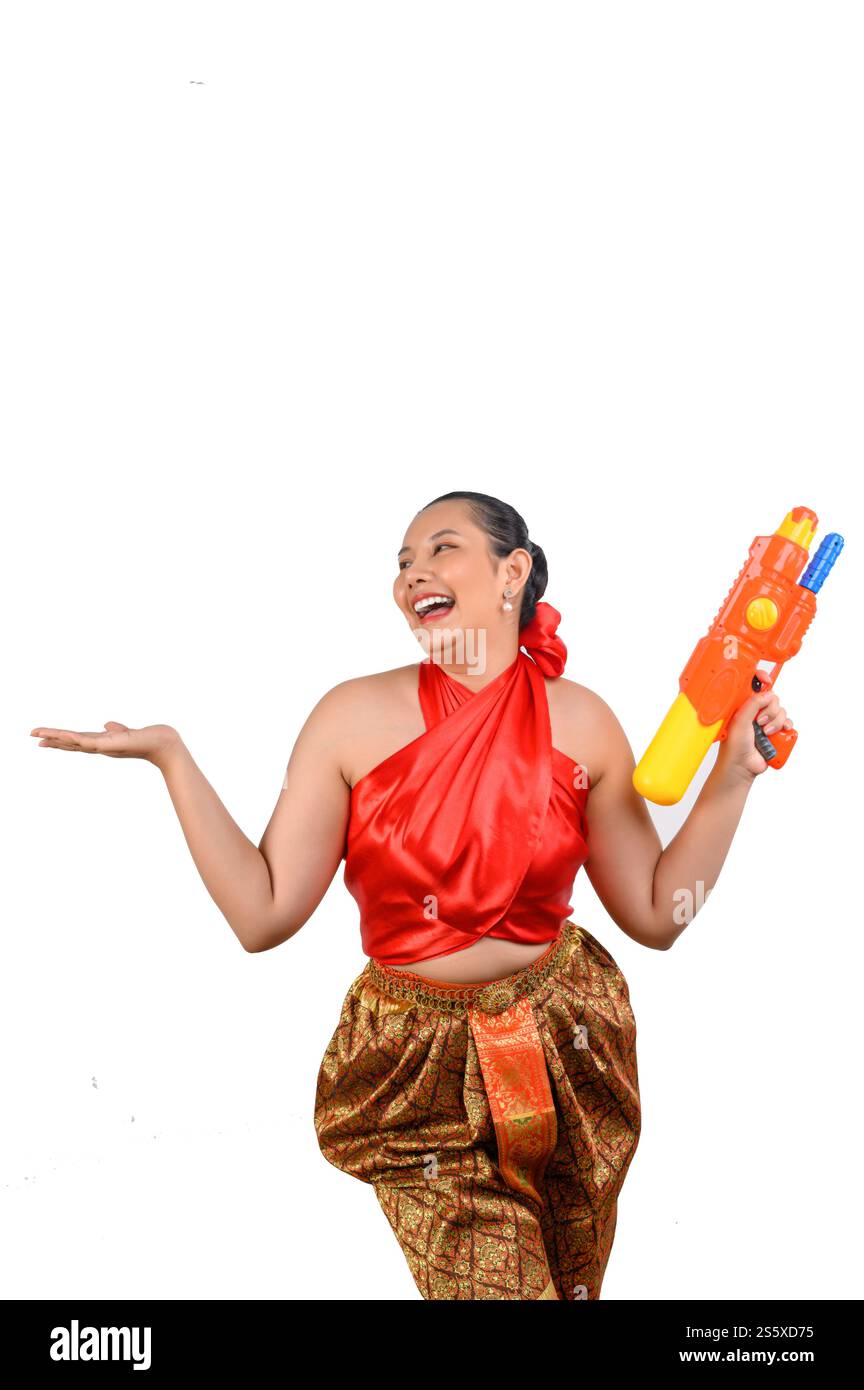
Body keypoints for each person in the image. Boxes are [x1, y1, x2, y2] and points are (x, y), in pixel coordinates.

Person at [30, 490, 793, 1300]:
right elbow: (263, 914)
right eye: (401, 562)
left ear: (513, 572)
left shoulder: (584, 721)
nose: (413, 574)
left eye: (440, 549)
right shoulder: (350, 717)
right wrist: (172, 759)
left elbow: (654, 913)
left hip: (571, 1041)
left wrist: (731, 778)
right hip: (418, 1069)